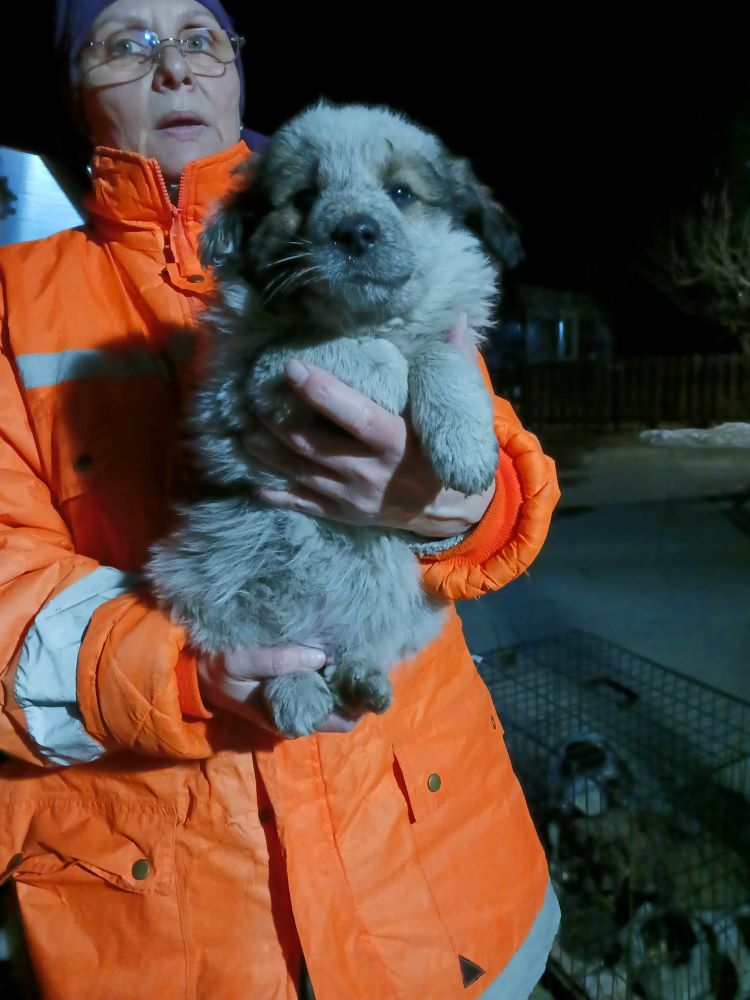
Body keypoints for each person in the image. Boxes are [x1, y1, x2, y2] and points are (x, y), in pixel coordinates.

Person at [0, 1, 562, 996]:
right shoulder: (13, 301)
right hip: (165, 920)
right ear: (73, 90)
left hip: (438, 889)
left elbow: (497, 464)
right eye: (126, 42)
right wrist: (183, 672)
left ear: (237, 72)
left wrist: (465, 512)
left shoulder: (391, 256)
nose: (173, 67)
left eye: (200, 38)